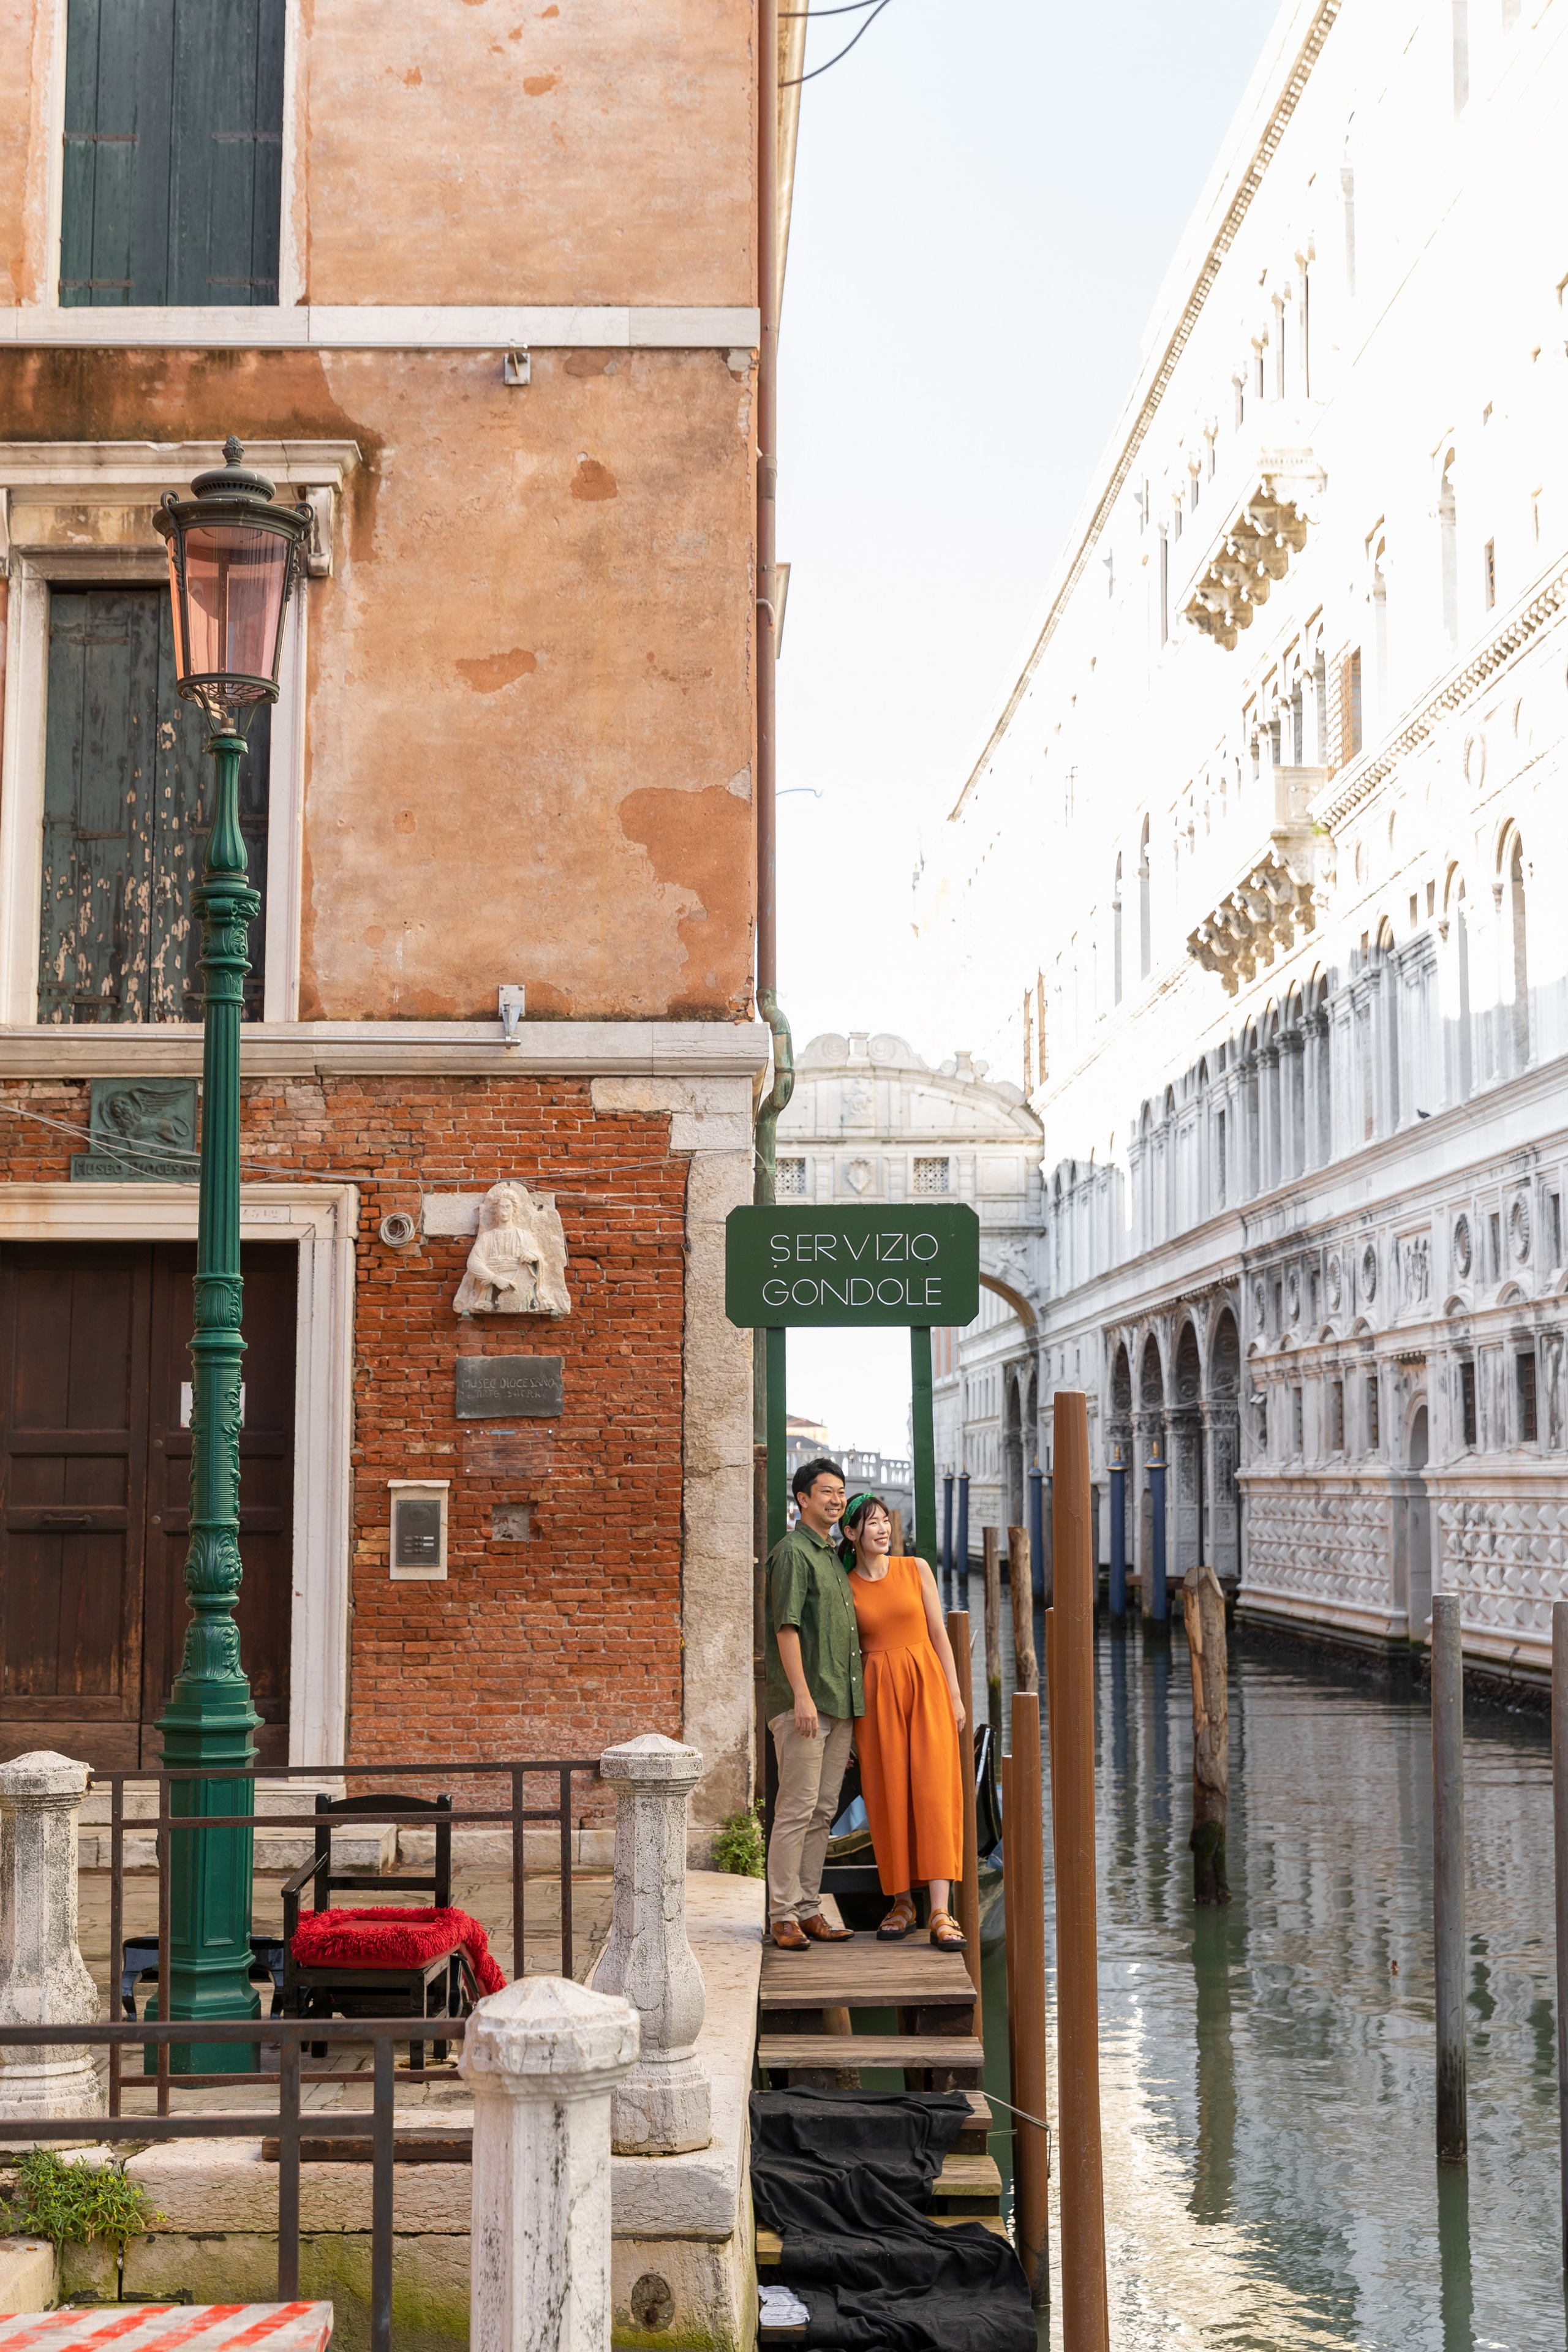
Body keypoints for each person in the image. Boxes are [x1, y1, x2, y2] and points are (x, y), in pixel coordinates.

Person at [840, 1491, 968, 1951]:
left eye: (885, 1521)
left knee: (934, 1794)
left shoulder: (916, 1569)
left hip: (927, 1688)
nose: (883, 1529)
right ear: (852, 1533)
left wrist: (955, 1694)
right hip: (876, 1700)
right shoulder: (845, 1586)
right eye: (871, 1523)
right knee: (889, 1795)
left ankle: (940, 1911)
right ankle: (902, 1903)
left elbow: (939, 1634)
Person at [763, 1457, 864, 1951]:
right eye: (827, 1491)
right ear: (803, 1499)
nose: (837, 1500)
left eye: (841, 1492)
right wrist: (801, 1696)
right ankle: (782, 1914)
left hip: (838, 1704)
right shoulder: (792, 1553)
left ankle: (807, 1908)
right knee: (796, 1810)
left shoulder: (830, 1555)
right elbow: (787, 1628)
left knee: (822, 1811)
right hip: (804, 1703)